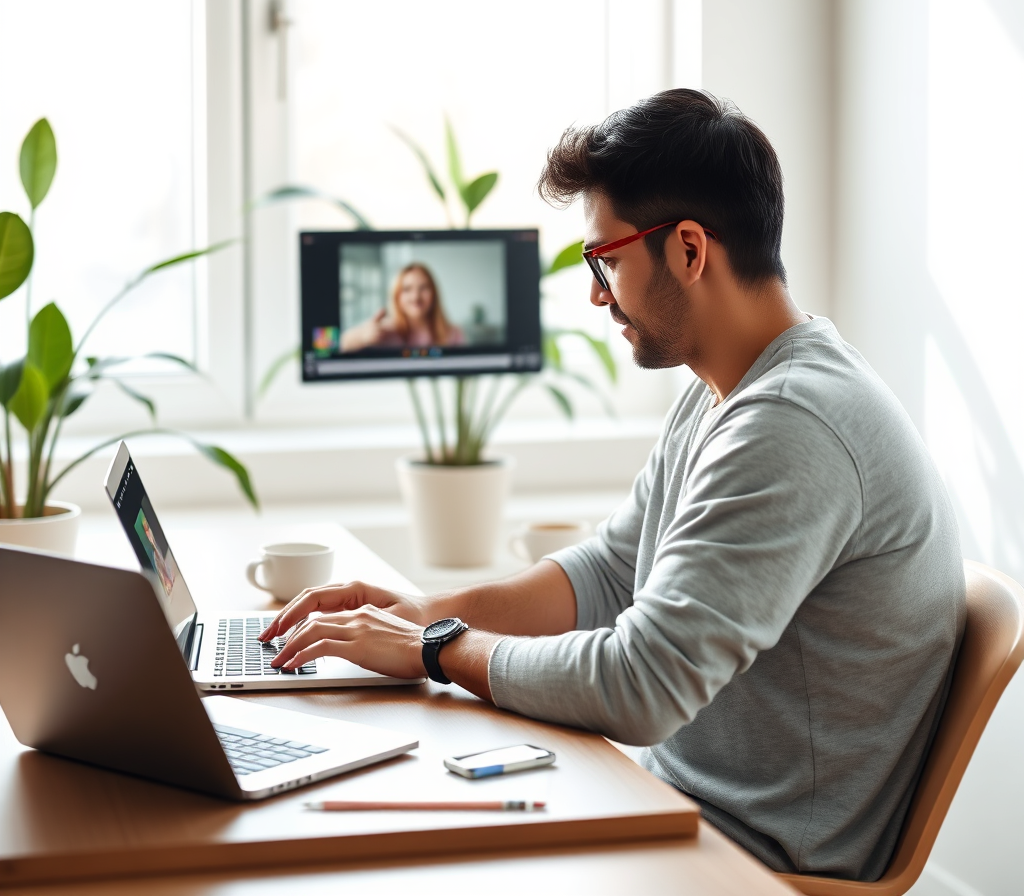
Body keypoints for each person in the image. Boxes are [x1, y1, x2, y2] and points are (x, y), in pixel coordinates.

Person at [260, 89, 965, 882]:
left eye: (607, 262)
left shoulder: (794, 424)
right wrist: (427, 611)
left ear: (690, 250)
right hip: (668, 804)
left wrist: (435, 649)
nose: (597, 294)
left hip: (744, 862)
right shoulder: (726, 392)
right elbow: (607, 573)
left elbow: (643, 685)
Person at [340, 262, 466, 351]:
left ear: (434, 293)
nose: (416, 297)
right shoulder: (383, 331)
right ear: (397, 296)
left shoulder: (454, 334)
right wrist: (361, 337)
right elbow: (327, 347)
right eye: (407, 289)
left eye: (423, 288)